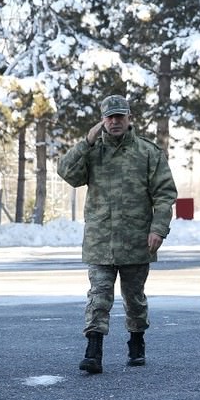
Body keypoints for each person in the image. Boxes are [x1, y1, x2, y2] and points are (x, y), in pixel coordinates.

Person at [57, 91, 177, 371]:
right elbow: (67, 173)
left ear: (129, 118)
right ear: (102, 121)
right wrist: (86, 141)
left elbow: (165, 193)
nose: (115, 122)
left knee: (134, 299)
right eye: (110, 117)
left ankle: (136, 342)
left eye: (119, 116)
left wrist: (159, 229)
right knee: (98, 297)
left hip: (137, 240)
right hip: (101, 240)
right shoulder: (92, 150)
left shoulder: (147, 152)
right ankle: (93, 350)